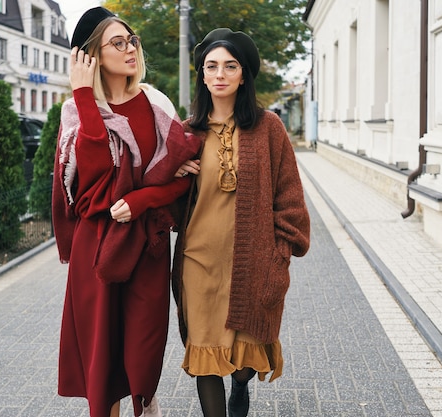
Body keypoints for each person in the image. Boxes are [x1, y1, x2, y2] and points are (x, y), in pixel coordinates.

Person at [51, 7, 200, 417]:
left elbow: (183, 178)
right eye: (118, 42)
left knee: (143, 350)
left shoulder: (155, 104)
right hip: (96, 250)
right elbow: (91, 193)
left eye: (131, 39)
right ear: (91, 57)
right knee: (103, 357)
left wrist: (140, 200)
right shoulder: (76, 112)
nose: (130, 48)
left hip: (147, 245)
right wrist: (83, 96)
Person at [171, 28, 311, 417]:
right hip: (199, 262)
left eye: (229, 66)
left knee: (246, 362)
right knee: (205, 354)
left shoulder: (268, 129)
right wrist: (175, 172)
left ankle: (242, 385)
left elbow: (290, 198)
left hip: (251, 262)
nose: (219, 74)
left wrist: (280, 256)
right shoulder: (187, 132)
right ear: (201, 75)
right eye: (211, 66)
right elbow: (166, 204)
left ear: (243, 74)